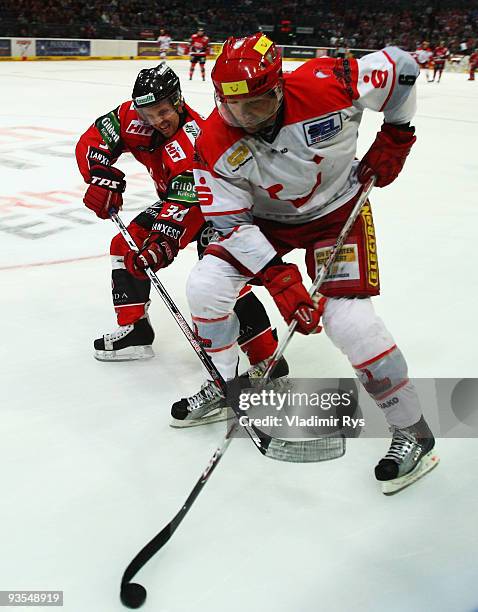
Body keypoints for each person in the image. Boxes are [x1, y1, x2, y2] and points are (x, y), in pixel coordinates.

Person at [186, 32, 438, 493]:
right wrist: (280, 280)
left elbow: (401, 67)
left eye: (257, 105)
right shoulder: (214, 141)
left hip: (336, 212)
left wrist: (396, 135)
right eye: (232, 106)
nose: (244, 118)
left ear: (279, 86)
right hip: (265, 224)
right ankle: (229, 387)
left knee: (352, 324)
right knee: (205, 287)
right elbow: (230, 222)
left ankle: (413, 430)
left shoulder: (329, 84)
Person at [75, 63, 287, 426]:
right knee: (123, 245)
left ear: (177, 101)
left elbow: (189, 197)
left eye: (162, 111)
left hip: (218, 206)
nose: (156, 120)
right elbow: (92, 141)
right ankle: (136, 329)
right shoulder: (133, 117)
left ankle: (267, 358)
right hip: (179, 199)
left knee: (220, 284)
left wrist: (162, 242)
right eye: (148, 113)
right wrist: (100, 177)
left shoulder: (193, 137)